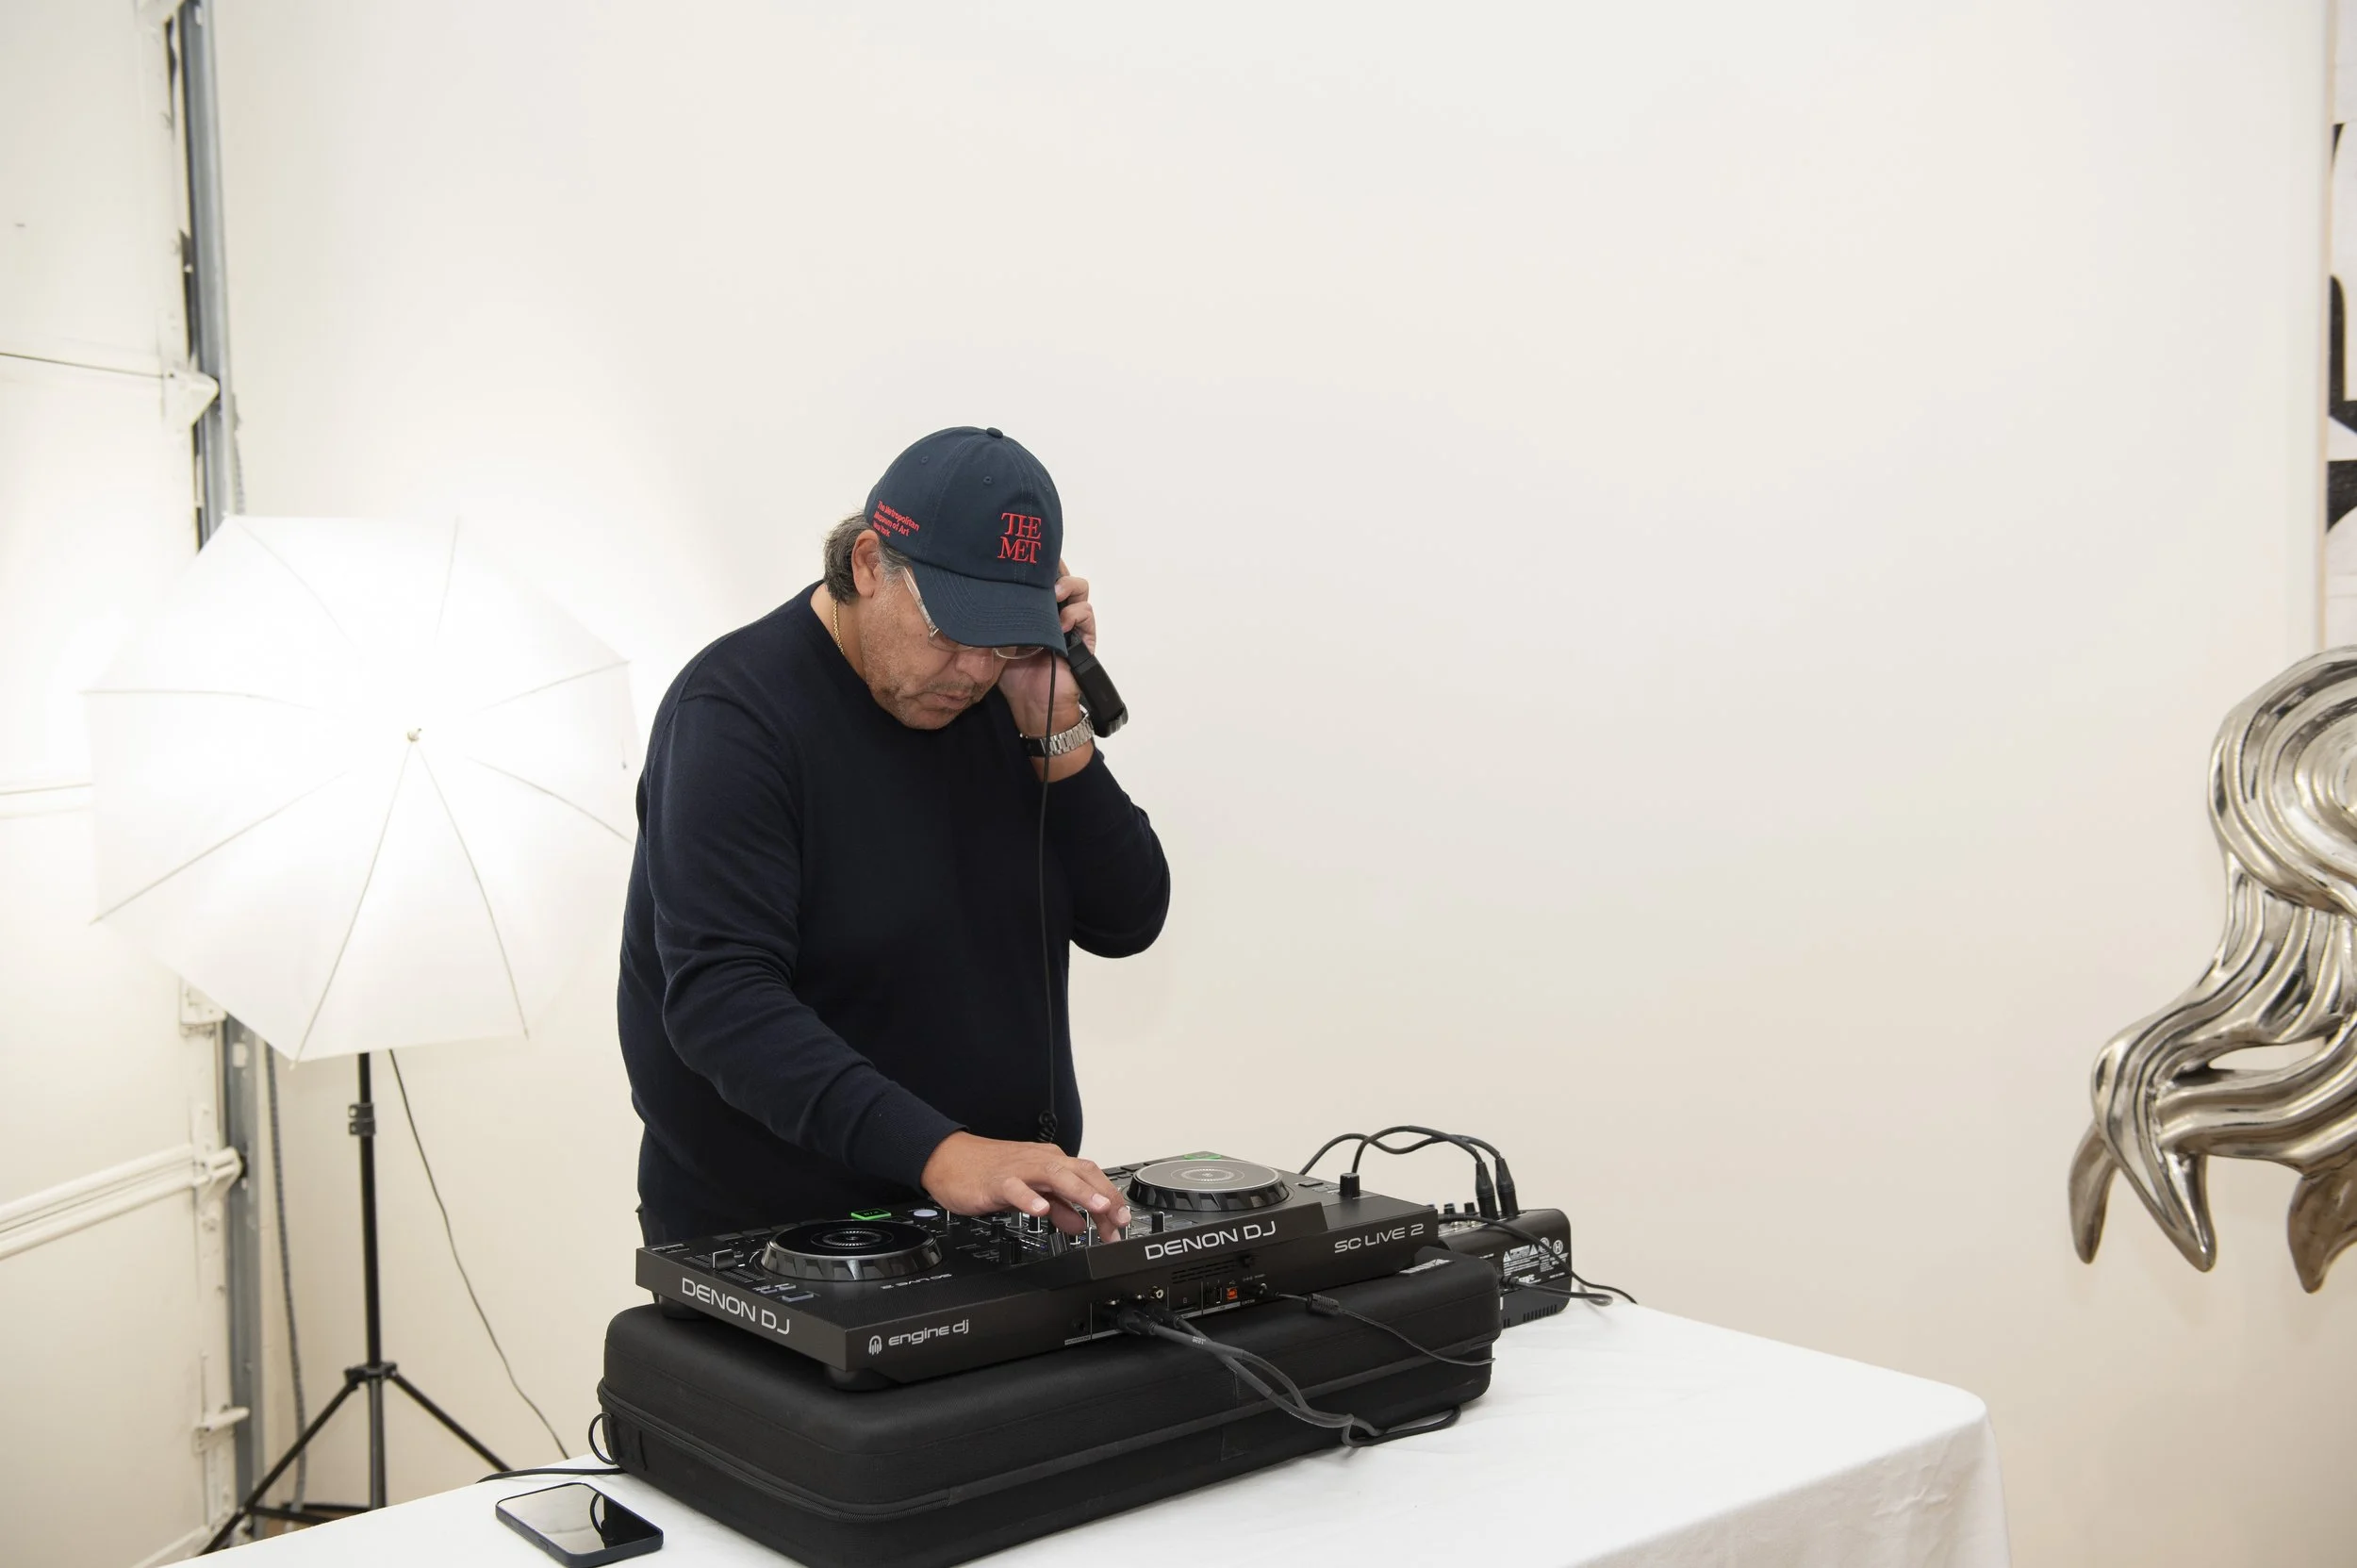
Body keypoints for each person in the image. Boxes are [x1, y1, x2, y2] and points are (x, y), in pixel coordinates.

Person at [618, 426, 1170, 1248]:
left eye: (1006, 636)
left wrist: (1053, 722)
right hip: (782, 1238)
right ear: (871, 564)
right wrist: (940, 1152)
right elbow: (722, 1000)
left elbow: (1127, 919)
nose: (977, 669)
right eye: (954, 632)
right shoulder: (734, 718)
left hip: (992, 1219)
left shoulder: (1004, 696)